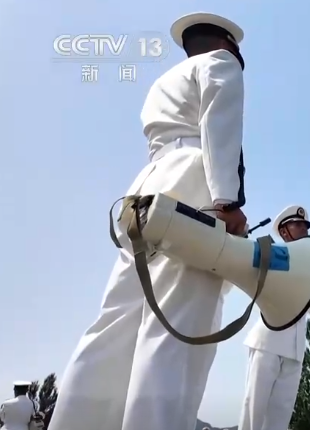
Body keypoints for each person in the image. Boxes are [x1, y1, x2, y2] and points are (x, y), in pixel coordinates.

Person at [50, 12, 248, 430]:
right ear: (226, 44)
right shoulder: (221, 63)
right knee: (175, 329)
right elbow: (218, 125)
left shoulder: (162, 83)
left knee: (114, 328)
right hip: (193, 186)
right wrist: (226, 201)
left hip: (145, 193)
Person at [239, 206, 310, 430]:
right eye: (298, 225)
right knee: (254, 409)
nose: (304, 229)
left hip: (295, 347)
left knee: (280, 416)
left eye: (306, 226)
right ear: (284, 232)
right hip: (269, 340)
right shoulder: (272, 252)